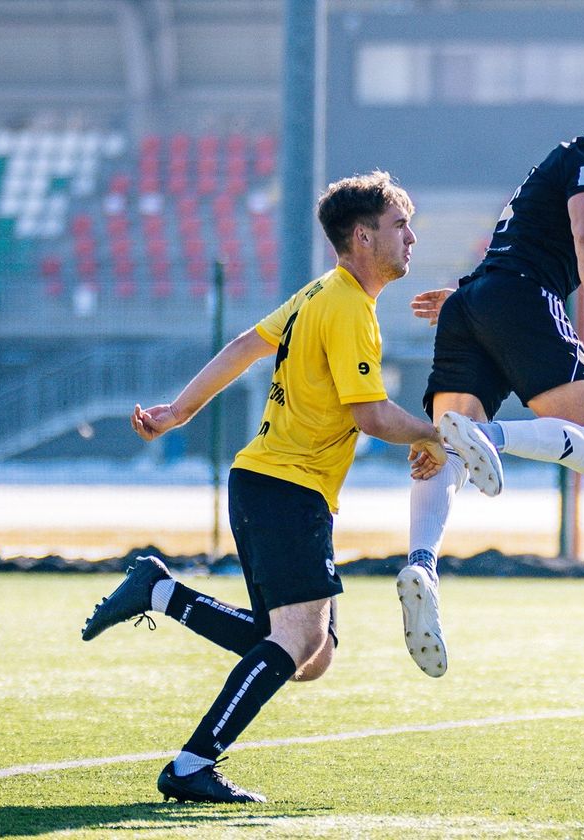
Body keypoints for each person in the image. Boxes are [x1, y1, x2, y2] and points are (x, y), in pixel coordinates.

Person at [82, 171, 445, 803]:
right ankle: (193, 765)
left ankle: (161, 593)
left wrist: (180, 410)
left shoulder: (321, 294)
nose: (411, 237)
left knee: (314, 652)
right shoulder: (346, 306)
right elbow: (372, 415)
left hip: (273, 487)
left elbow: (247, 344)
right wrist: (436, 435)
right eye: (399, 226)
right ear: (362, 237)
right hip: (284, 489)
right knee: (299, 640)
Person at [396, 67, 584, 678]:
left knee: (439, 451)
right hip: (520, 296)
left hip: (477, 299)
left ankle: (421, 562)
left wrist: (469, 298)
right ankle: (490, 440)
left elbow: (517, 238)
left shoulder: (561, 161)